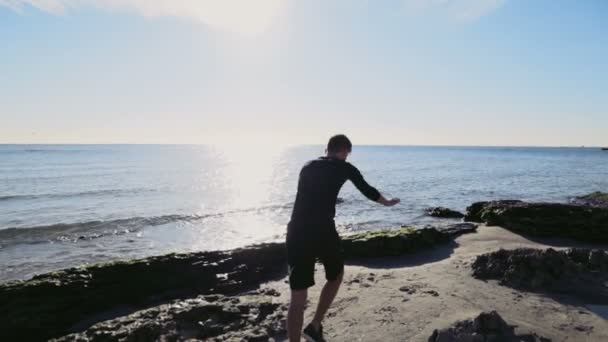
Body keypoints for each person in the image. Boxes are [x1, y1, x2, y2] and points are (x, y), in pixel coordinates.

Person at [286, 134, 400, 342]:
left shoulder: (307, 166)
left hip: (296, 232)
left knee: (298, 298)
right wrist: (387, 202)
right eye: (347, 153)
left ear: (327, 148)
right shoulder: (345, 168)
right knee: (336, 275)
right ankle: (314, 325)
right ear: (345, 150)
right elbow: (367, 190)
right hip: (322, 231)